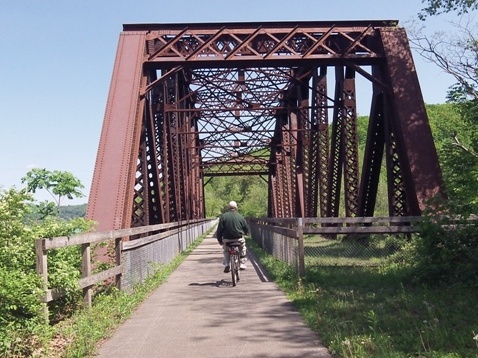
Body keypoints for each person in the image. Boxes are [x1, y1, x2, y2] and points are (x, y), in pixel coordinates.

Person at [216, 200, 248, 273]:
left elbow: (219, 230)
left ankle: (227, 264)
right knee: (243, 247)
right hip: (238, 239)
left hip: (227, 240)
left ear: (228, 207)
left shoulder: (223, 216)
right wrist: (246, 233)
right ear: (236, 208)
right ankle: (242, 263)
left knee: (226, 250)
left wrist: (220, 240)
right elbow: (245, 228)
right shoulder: (240, 216)